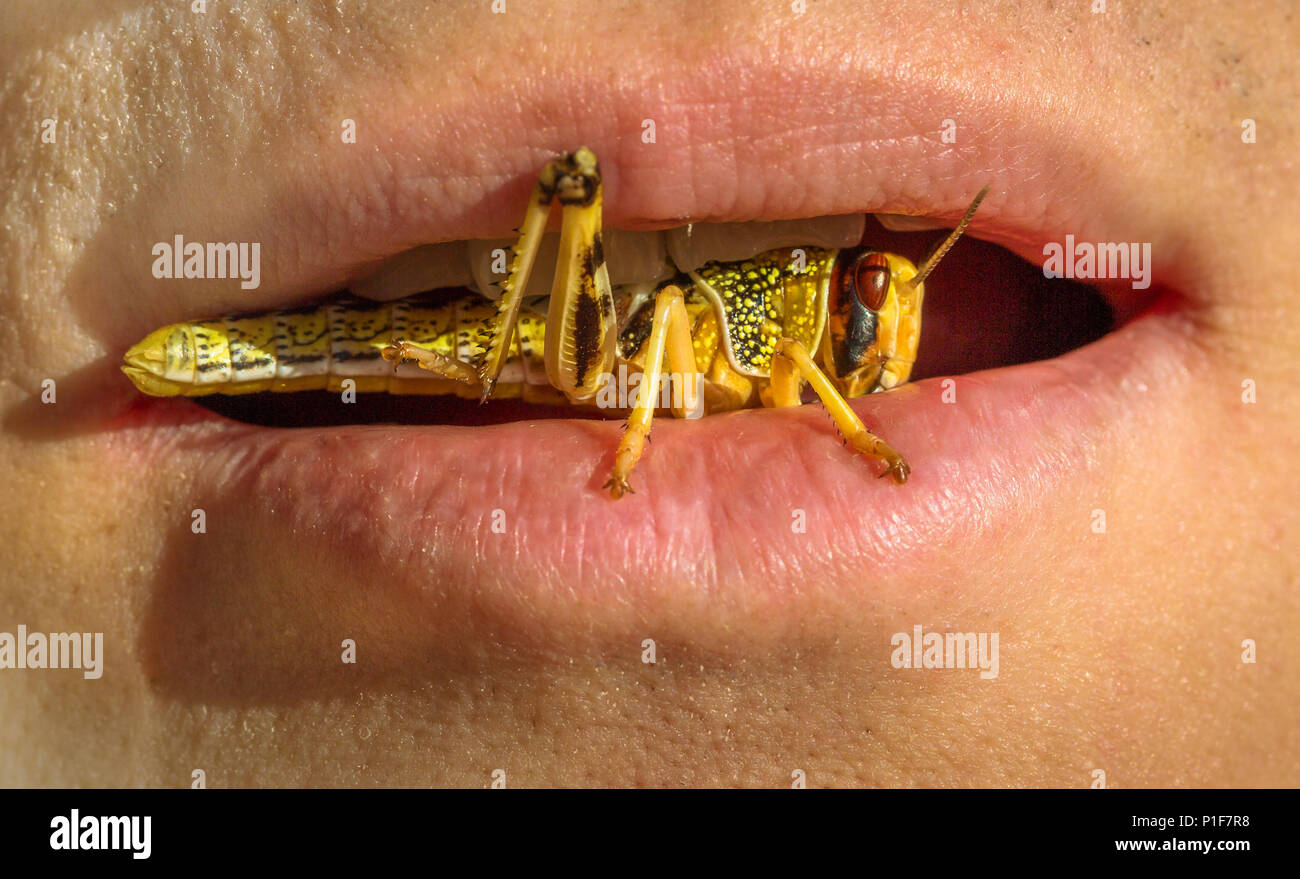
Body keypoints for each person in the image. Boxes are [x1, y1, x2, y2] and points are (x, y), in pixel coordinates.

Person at [0, 0, 1295, 787]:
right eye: (865, 302)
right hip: (547, 342)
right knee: (614, 239)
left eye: (900, 312)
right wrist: (624, 439)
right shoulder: (754, 338)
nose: (878, 347)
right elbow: (678, 316)